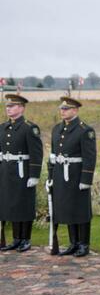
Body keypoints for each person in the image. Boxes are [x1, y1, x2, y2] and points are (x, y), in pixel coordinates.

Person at [47, 97, 97, 257]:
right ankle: (73, 242)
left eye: (66, 109)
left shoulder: (84, 130)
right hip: (61, 174)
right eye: (62, 108)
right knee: (67, 208)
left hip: (77, 175)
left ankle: (84, 244)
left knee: (80, 210)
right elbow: (53, 155)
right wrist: (51, 176)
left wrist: (86, 179)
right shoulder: (57, 129)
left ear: (75, 110)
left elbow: (90, 157)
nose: (63, 111)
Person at [0, 94, 43, 253]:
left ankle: (25, 239)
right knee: (10, 205)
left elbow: (36, 153)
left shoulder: (29, 128)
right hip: (6, 171)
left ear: (21, 108)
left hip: (22, 172)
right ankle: (16, 239)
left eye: (12, 106)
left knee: (23, 205)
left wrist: (34, 175)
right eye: (7, 106)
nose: (8, 108)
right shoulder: (3, 127)